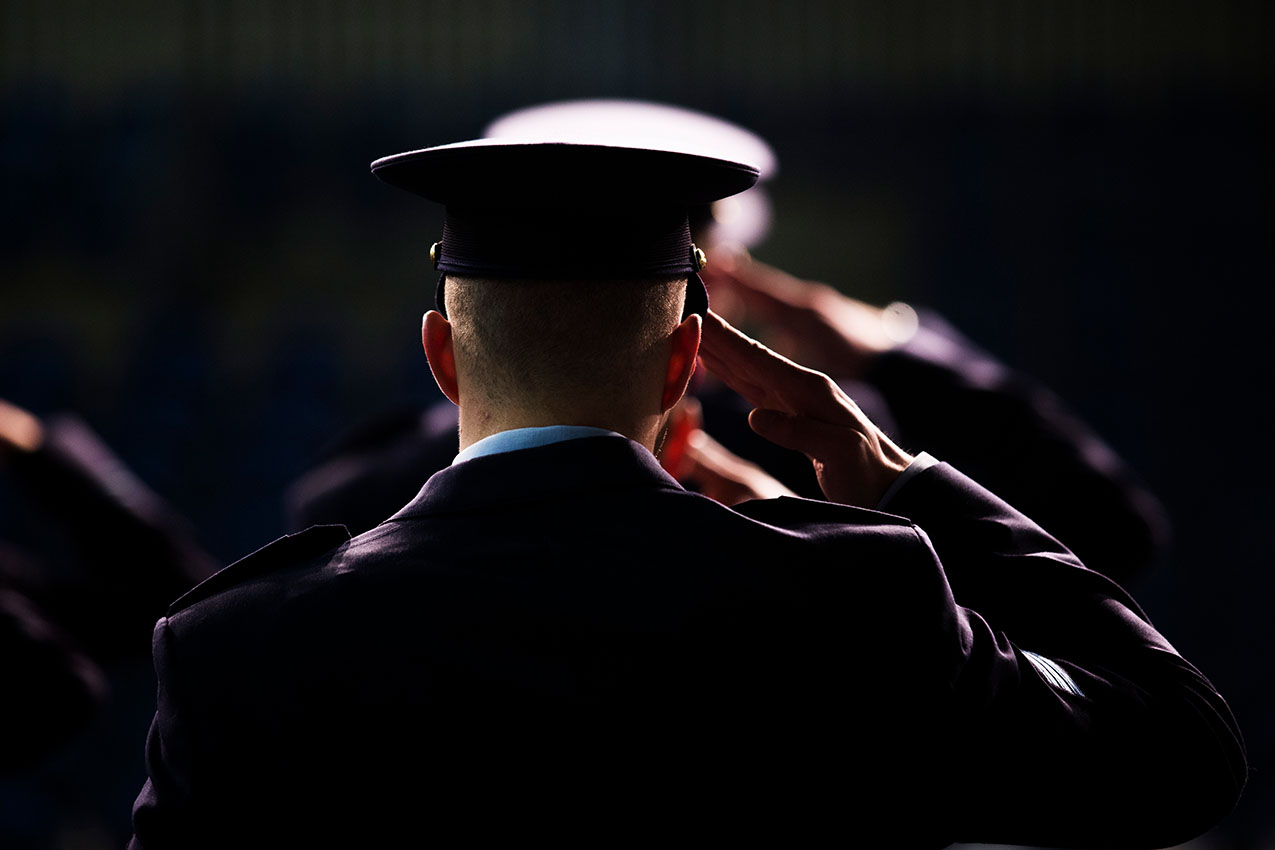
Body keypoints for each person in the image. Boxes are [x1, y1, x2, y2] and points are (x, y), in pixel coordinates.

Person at [127, 139, 1244, 848]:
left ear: (440, 356)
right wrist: (907, 483)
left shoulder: (238, 647)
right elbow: (1177, 758)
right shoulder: (854, 596)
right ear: (684, 365)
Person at [283, 100, 1169, 587]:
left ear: (446, 351)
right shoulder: (852, 535)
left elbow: (1105, 525)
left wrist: (525, 392)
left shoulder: (797, 438)